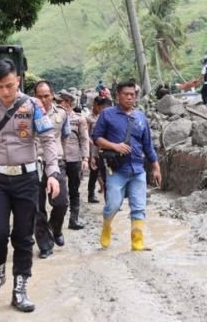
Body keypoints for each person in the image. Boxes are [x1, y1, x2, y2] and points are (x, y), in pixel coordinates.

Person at [0, 59, 60, 313]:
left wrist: (52, 172)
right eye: (0, 86)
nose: (6, 91)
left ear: (18, 81)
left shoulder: (33, 107)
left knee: (23, 236)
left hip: (27, 180)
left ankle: (20, 287)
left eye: (10, 85)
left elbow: (47, 140)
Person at [91, 81, 162, 251]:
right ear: (118, 95)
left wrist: (156, 166)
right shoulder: (107, 114)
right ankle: (107, 227)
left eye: (133, 94)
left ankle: (137, 244)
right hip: (116, 170)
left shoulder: (140, 117)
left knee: (139, 208)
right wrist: (114, 146)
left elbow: (148, 145)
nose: (130, 97)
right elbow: (96, 137)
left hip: (138, 170)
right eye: (126, 94)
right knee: (113, 205)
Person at [32, 81, 71, 259]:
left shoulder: (62, 114)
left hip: (55, 163)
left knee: (61, 203)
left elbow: (65, 137)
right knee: (37, 207)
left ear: (52, 95)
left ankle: (55, 228)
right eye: (39, 96)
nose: (43, 99)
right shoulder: (26, 113)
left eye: (46, 95)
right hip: (33, 164)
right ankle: (45, 245)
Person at [58, 90, 88, 230]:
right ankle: (57, 221)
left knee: (74, 190)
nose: (57, 104)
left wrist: (85, 158)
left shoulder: (79, 119)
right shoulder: (54, 118)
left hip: (75, 158)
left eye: (60, 102)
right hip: (59, 159)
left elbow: (84, 139)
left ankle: (73, 219)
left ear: (68, 103)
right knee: (60, 192)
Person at [87, 96, 111, 204]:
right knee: (94, 173)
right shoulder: (89, 119)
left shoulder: (109, 119)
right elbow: (87, 137)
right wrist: (90, 155)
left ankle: (109, 200)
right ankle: (91, 194)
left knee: (107, 177)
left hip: (107, 151)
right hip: (94, 149)